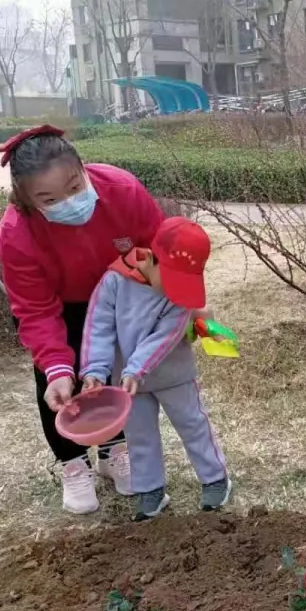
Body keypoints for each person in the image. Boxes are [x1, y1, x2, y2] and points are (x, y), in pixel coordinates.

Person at [0, 125, 165, 514]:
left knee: (115, 368)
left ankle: (113, 449)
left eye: (74, 187)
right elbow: (36, 310)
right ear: (25, 200)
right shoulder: (17, 233)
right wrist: (56, 368)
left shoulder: (121, 190)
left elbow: (155, 247)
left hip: (121, 289)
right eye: (49, 198)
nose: (69, 201)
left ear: (83, 169)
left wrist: (164, 305)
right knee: (62, 377)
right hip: (62, 305)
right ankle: (72, 463)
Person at [79, 217, 230, 521]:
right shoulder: (114, 282)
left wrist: (137, 369)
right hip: (127, 384)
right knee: (139, 435)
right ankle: (151, 491)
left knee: (193, 424)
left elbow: (166, 337)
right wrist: (94, 369)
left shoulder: (179, 300)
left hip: (172, 375)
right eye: (175, 281)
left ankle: (215, 479)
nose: (180, 291)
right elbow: (99, 328)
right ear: (152, 258)